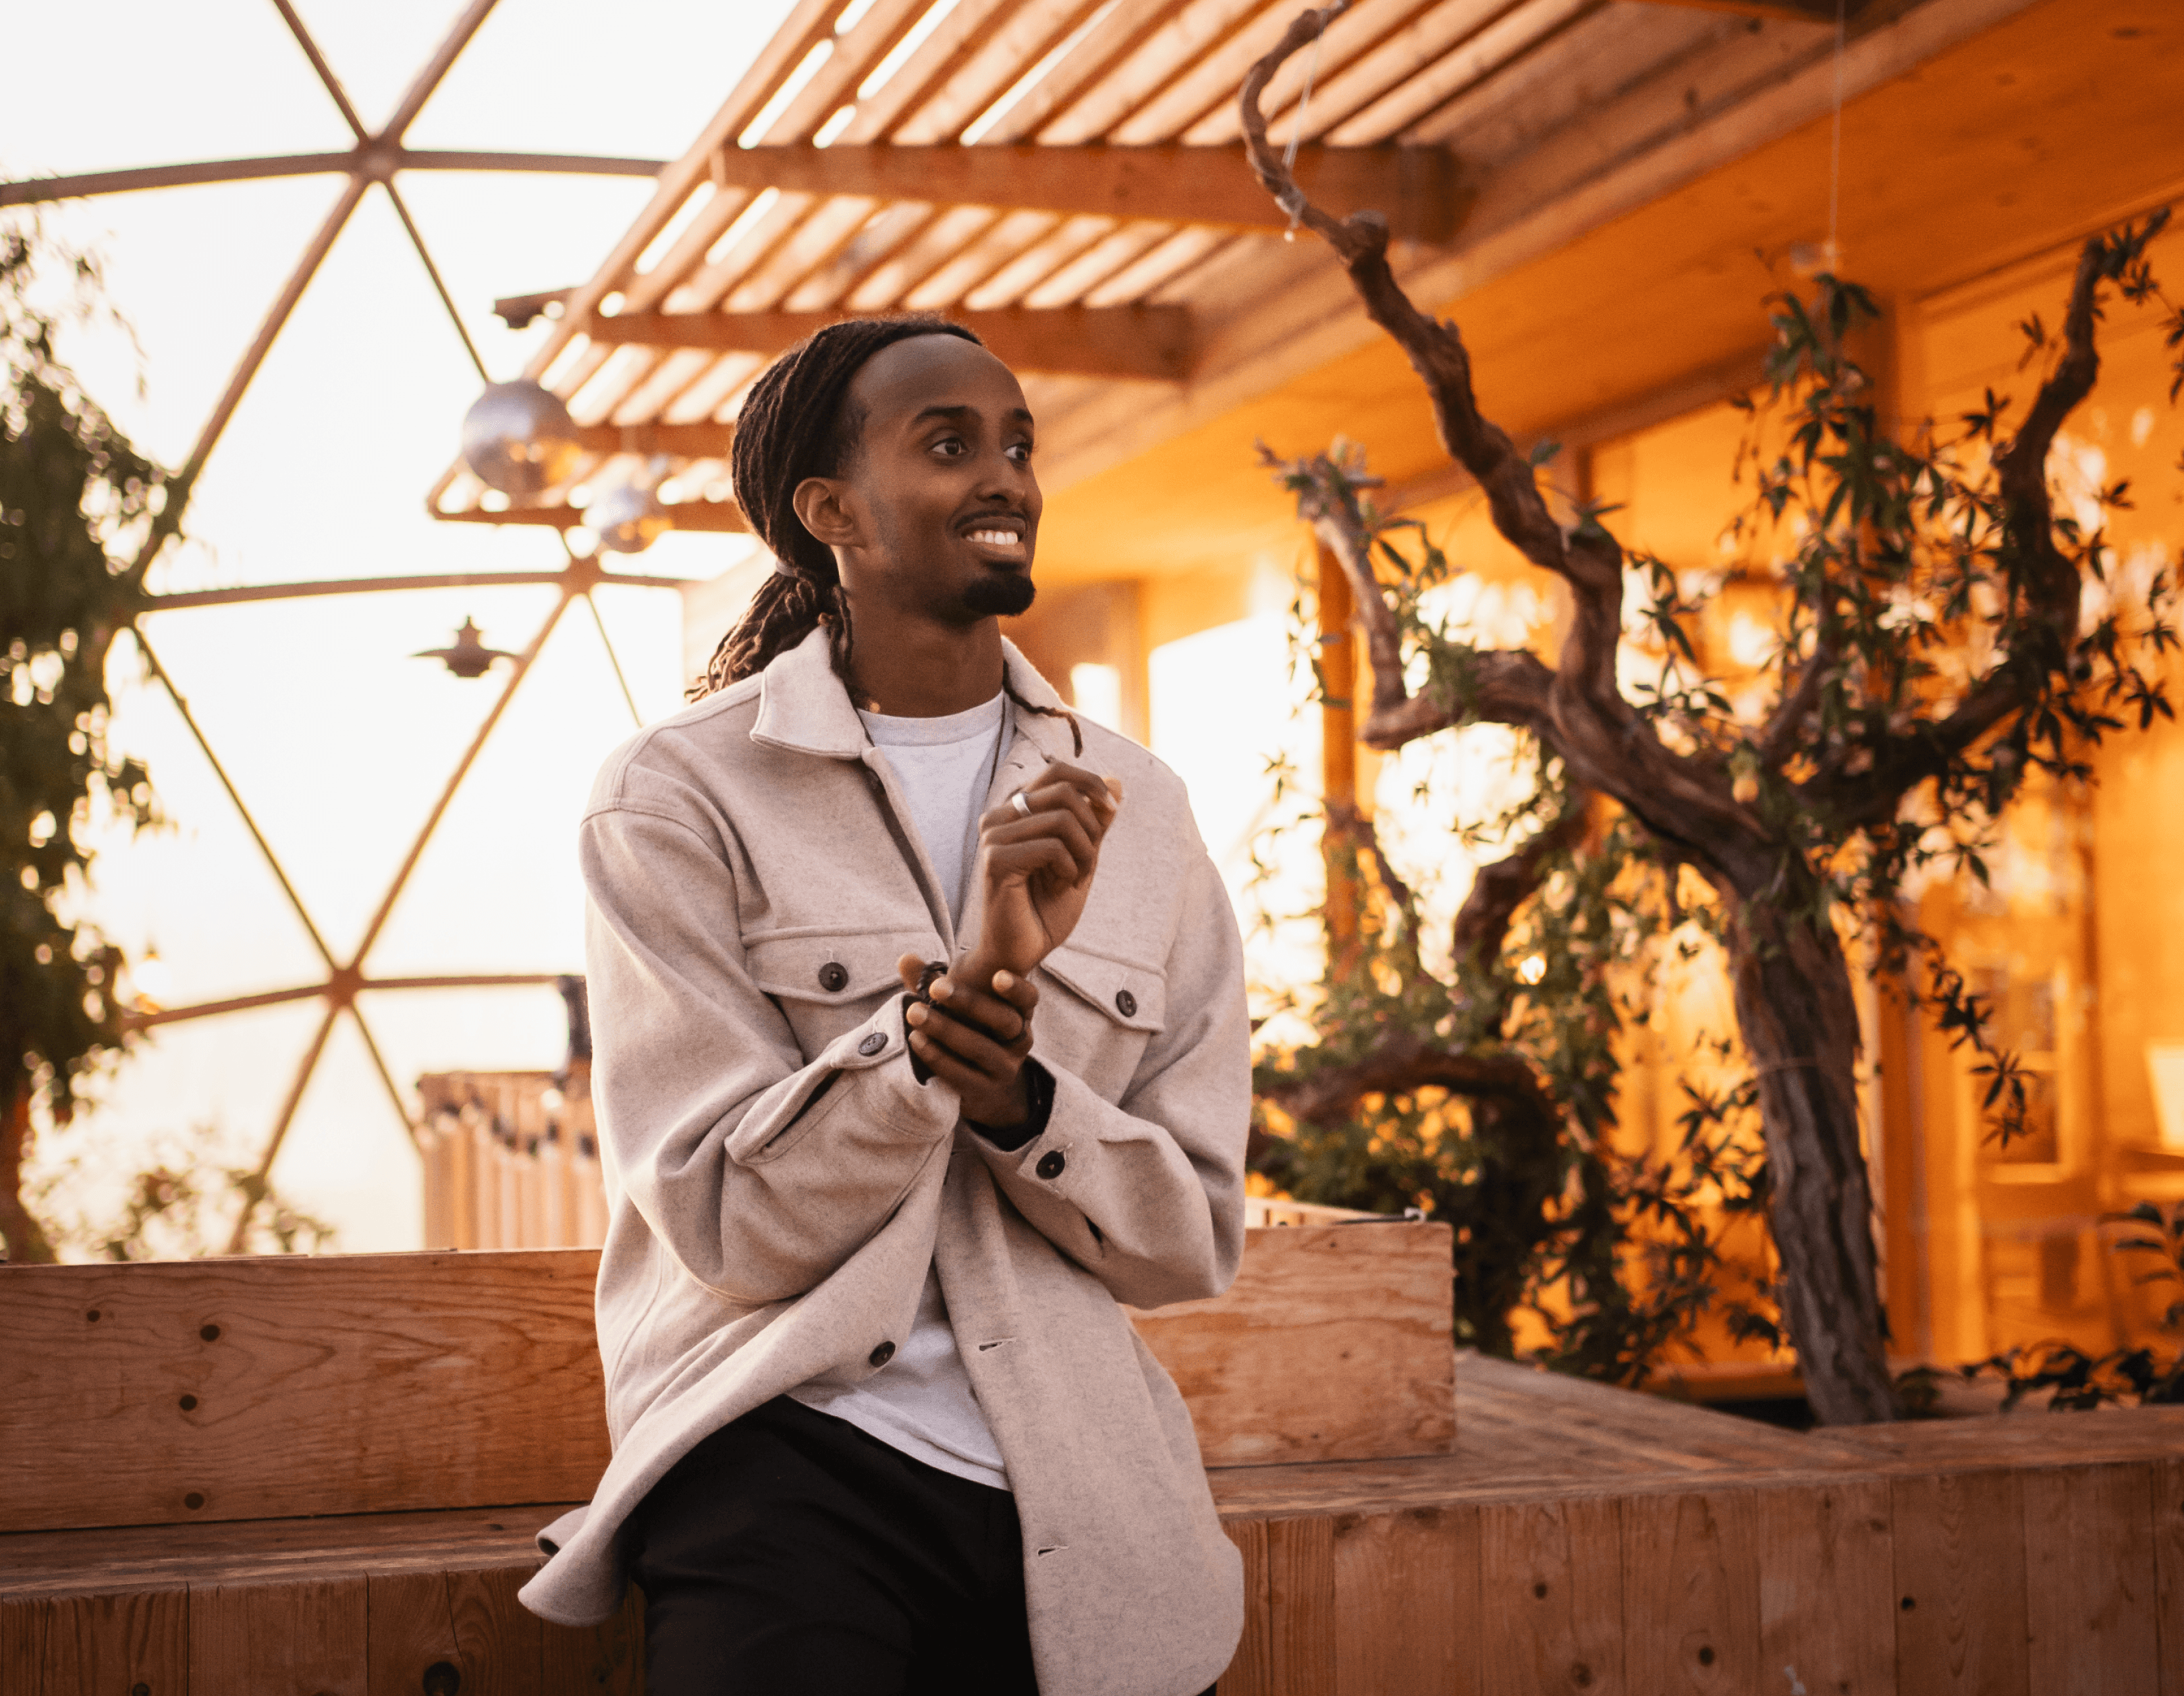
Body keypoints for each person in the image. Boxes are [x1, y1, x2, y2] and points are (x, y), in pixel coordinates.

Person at [518, 314, 1252, 1696]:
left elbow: (1189, 1238)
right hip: (784, 1458)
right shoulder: (678, 794)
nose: (1007, 476)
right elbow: (723, 1216)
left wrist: (1020, 1098)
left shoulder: (1142, 812)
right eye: (948, 441)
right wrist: (926, 1043)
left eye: (1018, 442)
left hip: (1085, 1485)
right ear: (831, 510)